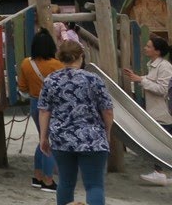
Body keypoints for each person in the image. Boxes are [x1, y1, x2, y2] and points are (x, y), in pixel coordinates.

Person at [38, 40, 113, 205]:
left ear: (60, 57)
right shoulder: (93, 79)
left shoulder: (50, 80)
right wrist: (107, 132)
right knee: (94, 185)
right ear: (81, 56)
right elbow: (107, 110)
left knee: (65, 182)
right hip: (93, 138)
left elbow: (44, 111)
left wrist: (43, 137)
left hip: (62, 138)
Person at [122, 35, 172, 186]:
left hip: (163, 111)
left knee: (160, 142)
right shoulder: (153, 65)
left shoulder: (164, 67)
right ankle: (159, 172)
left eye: (149, 46)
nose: (145, 48)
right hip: (155, 110)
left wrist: (141, 80)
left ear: (157, 51)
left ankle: (159, 173)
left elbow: (163, 89)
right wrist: (137, 77)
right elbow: (152, 80)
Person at [18, 28, 63, 191]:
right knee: (49, 141)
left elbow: (22, 88)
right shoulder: (57, 65)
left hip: (35, 103)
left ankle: (37, 176)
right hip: (53, 106)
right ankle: (48, 180)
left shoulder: (26, 63)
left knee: (42, 138)